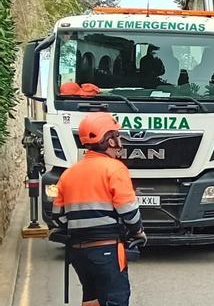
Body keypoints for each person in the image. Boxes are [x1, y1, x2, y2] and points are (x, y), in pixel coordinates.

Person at [50, 112, 146, 306]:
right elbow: (128, 211)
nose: (120, 140)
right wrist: (138, 232)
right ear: (109, 141)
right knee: (115, 299)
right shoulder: (115, 168)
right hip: (107, 249)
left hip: (78, 252)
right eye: (117, 136)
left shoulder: (69, 173)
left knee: (91, 299)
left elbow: (57, 218)